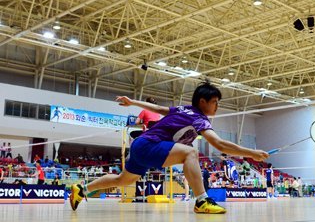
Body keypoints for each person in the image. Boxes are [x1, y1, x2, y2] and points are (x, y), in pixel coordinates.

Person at [69, 81, 269, 214]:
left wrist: (132, 103)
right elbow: (219, 144)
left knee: (123, 179)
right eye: (215, 102)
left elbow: (159, 109)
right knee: (190, 152)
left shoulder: (183, 109)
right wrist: (251, 153)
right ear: (203, 102)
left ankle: (82, 189)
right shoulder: (199, 119)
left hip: (140, 145)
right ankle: (201, 201)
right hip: (149, 145)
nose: (216, 106)